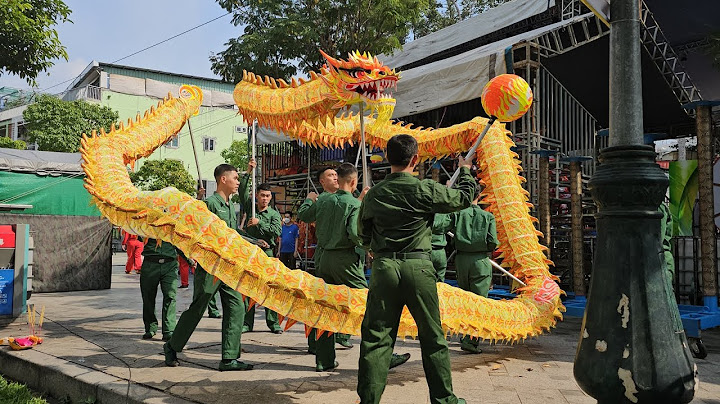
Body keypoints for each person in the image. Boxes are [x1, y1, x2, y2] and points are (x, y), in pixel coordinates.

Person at [357, 134, 474, 404]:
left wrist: (373, 248)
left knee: (376, 338)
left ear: (387, 158)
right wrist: (465, 171)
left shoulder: (374, 194)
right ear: (415, 159)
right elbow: (464, 198)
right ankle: (444, 399)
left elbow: (362, 232)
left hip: (385, 267)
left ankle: (369, 400)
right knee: (432, 337)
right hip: (419, 267)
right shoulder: (425, 189)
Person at [164, 164, 252, 371]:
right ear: (223, 179)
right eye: (235, 177)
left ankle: (229, 358)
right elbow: (196, 232)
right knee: (198, 308)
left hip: (228, 267)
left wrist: (253, 242)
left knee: (237, 307)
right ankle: (172, 346)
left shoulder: (230, 205)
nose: (238, 181)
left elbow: (232, 234)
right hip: (211, 266)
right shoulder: (210, 204)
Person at [450, 183, 498, 354]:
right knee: (479, 302)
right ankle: (471, 340)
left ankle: (464, 334)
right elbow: (493, 242)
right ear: (480, 195)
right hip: (480, 260)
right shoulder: (487, 217)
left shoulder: (458, 214)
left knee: (465, 301)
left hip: (462, 259)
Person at [298, 166, 339, 354]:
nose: (335, 178)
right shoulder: (323, 200)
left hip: (339, 257)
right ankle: (318, 346)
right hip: (333, 256)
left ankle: (324, 349)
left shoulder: (342, 197)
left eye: (336, 175)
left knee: (331, 302)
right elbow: (304, 215)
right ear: (322, 182)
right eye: (330, 175)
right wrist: (308, 199)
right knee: (326, 302)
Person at [240, 159, 283, 334]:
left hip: (267, 253)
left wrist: (258, 224)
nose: (264, 199)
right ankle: (246, 323)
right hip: (250, 253)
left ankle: (273, 323)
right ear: (256, 196)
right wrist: (248, 172)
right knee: (249, 288)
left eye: (267, 196)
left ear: (270, 198)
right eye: (262, 195)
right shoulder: (250, 208)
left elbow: (275, 232)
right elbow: (242, 191)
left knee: (269, 288)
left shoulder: (274, 214)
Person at [140, 238, 180, 341]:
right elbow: (138, 232)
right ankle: (150, 328)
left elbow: (181, 241)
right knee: (148, 297)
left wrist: (191, 260)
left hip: (170, 265)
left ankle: (169, 330)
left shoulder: (175, 223)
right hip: (150, 264)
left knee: (170, 296)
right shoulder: (147, 224)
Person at [430, 213, 452, 282]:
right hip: (440, 251)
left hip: (424, 252)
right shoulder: (444, 214)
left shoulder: (422, 213)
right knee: (440, 282)